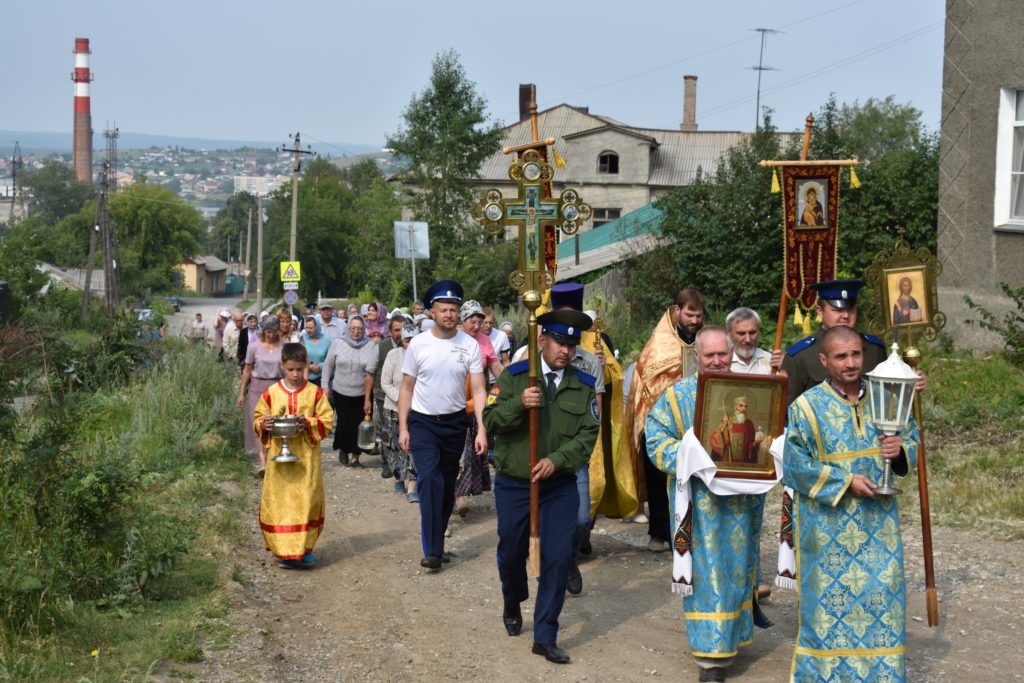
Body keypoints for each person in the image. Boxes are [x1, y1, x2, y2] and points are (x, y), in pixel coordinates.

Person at [783, 325, 919, 682]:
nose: (851, 363)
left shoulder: (887, 396)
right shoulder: (806, 408)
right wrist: (844, 482)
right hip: (827, 536)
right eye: (841, 356)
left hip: (879, 532)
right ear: (824, 360)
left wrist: (900, 451)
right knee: (828, 612)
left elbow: (912, 435)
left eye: (856, 354)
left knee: (882, 601)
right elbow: (795, 467)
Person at [645, 327, 769, 682]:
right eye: (709, 355)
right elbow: (655, 441)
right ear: (696, 357)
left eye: (722, 354)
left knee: (738, 571)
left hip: (742, 504)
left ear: (731, 353)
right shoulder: (677, 397)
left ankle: (732, 638)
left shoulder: (753, 391)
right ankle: (710, 660)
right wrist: (689, 456)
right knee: (706, 577)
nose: (716, 361)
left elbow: (767, 441)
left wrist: (767, 448)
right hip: (698, 508)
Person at [483, 308, 599, 665]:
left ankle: (545, 634)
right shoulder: (516, 378)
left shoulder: (584, 385)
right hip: (515, 482)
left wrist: (557, 460)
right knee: (511, 549)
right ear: (542, 340)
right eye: (559, 342)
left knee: (559, 554)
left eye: (571, 344)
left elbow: (587, 435)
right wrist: (518, 405)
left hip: (558, 484)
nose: (565, 350)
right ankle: (512, 598)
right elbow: (489, 421)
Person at [398, 280, 487, 571]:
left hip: (455, 423)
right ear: (432, 313)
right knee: (431, 478)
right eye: (443, 309)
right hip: (423, 422)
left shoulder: (469, 345)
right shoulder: (420, 345)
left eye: (453, 309)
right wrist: (403, 427)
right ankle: (432, 550)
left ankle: (438, 538)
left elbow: (479, 387)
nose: (449, 314)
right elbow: (407, 388)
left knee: (448, 484)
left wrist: (482, 428)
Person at [624, 287, 705, 552]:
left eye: (699, 316)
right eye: (690, 314)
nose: (694, 321)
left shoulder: (704, 339)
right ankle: (658, 532)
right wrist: (675, 384)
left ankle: (689, 530)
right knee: (659, 476)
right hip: (659, 417)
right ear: (677, 311)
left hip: (694, 418)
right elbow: (647, 380)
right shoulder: (661, 342)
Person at [253, 342, 334, 569]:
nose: (296, 374)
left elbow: (327, 421)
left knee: (307, 501)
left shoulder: (315, 393)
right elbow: (258, 417)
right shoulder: (271, 393)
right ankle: (284, 551)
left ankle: (305, 549)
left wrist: (306, 422)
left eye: (300, 369)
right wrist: (264, 423)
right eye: (291, 370)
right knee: (280, 503)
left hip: (307, 460)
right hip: (279, 459)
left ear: (306, 366)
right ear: (282, 367)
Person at [780, 280, 887, 406]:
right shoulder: (801, 355)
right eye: (837, 310)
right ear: (820, 311)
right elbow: (786, 410)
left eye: (850, 309)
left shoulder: (874, 348)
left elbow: (889, 397)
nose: (846, 315)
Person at [453, 300, 503, 518]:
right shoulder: (453, 337)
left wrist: (512, 382)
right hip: (452, 401)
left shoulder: (484, 341)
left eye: (479, 322)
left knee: (470, 450)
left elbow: (495, 367)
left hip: (476, 402)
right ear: (463, 321)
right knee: (457, 452)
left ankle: (461, 494)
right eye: (473, 322)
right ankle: (456, 496)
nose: (477, 326)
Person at [323, 315, 377, 467]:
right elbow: (328, 365)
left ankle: (356, 457)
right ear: (348, 329)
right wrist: (325, 385)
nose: (356, 331)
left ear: (364, 329)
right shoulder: (338, 343)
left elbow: (371, 372)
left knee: (359, 424)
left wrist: (369, 396)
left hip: (362, 392)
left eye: (360, 328)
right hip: (341, 390)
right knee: (344, 424)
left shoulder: (371, 345)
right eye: (353, 328)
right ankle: (343, 449)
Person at [238, 316, 284, 472]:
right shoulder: (254, 347)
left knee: (275, 424)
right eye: (268, 331)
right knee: (259, 425)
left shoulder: (284, 346)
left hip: (277, 387)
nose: (271, 335)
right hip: (257, 387)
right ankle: (262, 461)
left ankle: (273, 457)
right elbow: (247, 370)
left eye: (274, 332)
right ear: (263, 331)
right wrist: (241, 393)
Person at [381, 324, 419, 502]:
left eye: (414, 339)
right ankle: (399, 478)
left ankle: (412, 485)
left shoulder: (424, 355)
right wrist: (402, 399)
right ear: (401, 340)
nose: (410, 343)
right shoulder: (393, 355)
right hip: (393, 408)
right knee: (395, 447)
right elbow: (385, 383)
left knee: (413, 447)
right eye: (407, 340)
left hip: (417, 410)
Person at [372, 315, 407, 474]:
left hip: (413, 405)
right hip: (387, 399)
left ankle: (409, 473)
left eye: (403, 330)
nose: (400, 334)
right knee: (389, 437)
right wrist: (400, 397)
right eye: (397, 330)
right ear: (391, 332)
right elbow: (374, 376)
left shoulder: (418, 351)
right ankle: (390, 466)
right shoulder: (384, 349)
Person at [709, 396, 768, 464]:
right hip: (728, 461)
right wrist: (723, 425)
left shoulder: (749, 424)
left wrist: (756, 442)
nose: (743, 408)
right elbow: (716, 437)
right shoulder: (728, 421)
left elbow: (751, 445)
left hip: (744, 463)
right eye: (741, 405)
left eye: (745, 406)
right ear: (736, 406)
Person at [725, 307, 781, 375]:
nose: (748, 339)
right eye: (741, 333)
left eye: (752, 333)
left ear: (759, 332)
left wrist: (784, 368)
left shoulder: (769, 360)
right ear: (729, 334)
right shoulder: (721, 362)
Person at [301, 316, 331, 387]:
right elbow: (296, 357)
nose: (308, 330)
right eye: (307, 327)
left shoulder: (326, 340)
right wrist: (308, 366)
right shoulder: (302, 337)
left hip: (320, 379)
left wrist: (320, 366)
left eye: (311, 328)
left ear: (317, 327)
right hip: (303, 378)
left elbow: (330, 360)